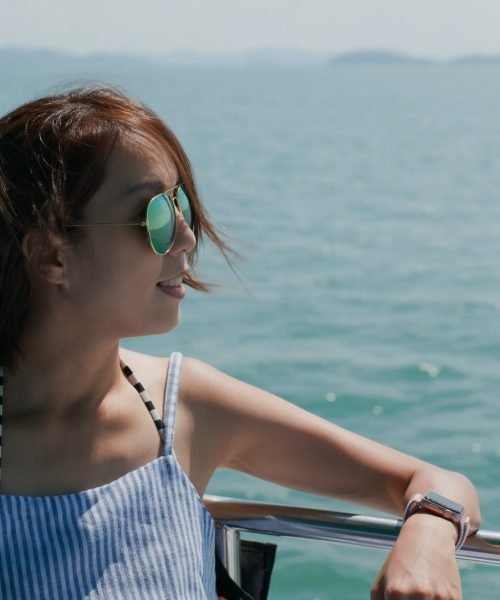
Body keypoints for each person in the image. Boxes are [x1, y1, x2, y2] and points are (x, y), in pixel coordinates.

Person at [0, 86, 480, 600]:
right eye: (155, 216)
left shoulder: (181, 408)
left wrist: (428, 535)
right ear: (52, 255)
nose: (186, 238)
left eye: (179, 203)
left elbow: (435, 481)